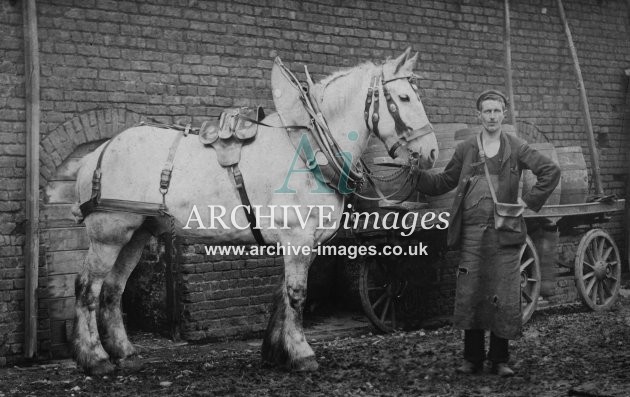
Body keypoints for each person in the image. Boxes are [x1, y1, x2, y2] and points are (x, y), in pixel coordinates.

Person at [415, 90, 560, 376]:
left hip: (504, 234)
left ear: (503, 114)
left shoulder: (516, 147)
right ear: (478, 115)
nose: (492, 116)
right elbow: (445, 181)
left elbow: (551, 172)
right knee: (471, 292)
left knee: (503, 293)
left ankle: (499, 359)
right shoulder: (466, 148)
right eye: (487, 111)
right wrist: (415, 175)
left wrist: (526, 202)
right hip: (471, 234)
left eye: (496, 111)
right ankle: (472, 359)